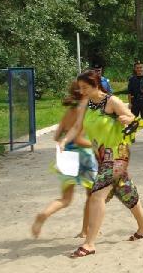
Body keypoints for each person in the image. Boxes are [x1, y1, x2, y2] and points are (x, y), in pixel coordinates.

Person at [60, 70, 143, 257]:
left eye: (85, 87)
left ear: (96, 85)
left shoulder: (112, 101)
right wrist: (64, 141)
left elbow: (136, 121)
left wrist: (128, 119)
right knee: (125, 189)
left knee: (97, 195)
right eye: (80, 88)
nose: (82, 91)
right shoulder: (86, 104)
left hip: (117, 154)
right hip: (102, 157)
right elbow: (77, 127)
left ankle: (89, 244)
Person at [31, 81, 98, 238]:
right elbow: (79, 140)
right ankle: (84, 230)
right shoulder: (85, 110)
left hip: (66, 154)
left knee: (66, 199)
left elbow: (56, 136)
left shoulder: (68, 111)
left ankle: (44, 214)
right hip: (84, 155)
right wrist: (95, 145)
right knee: (91, 196)